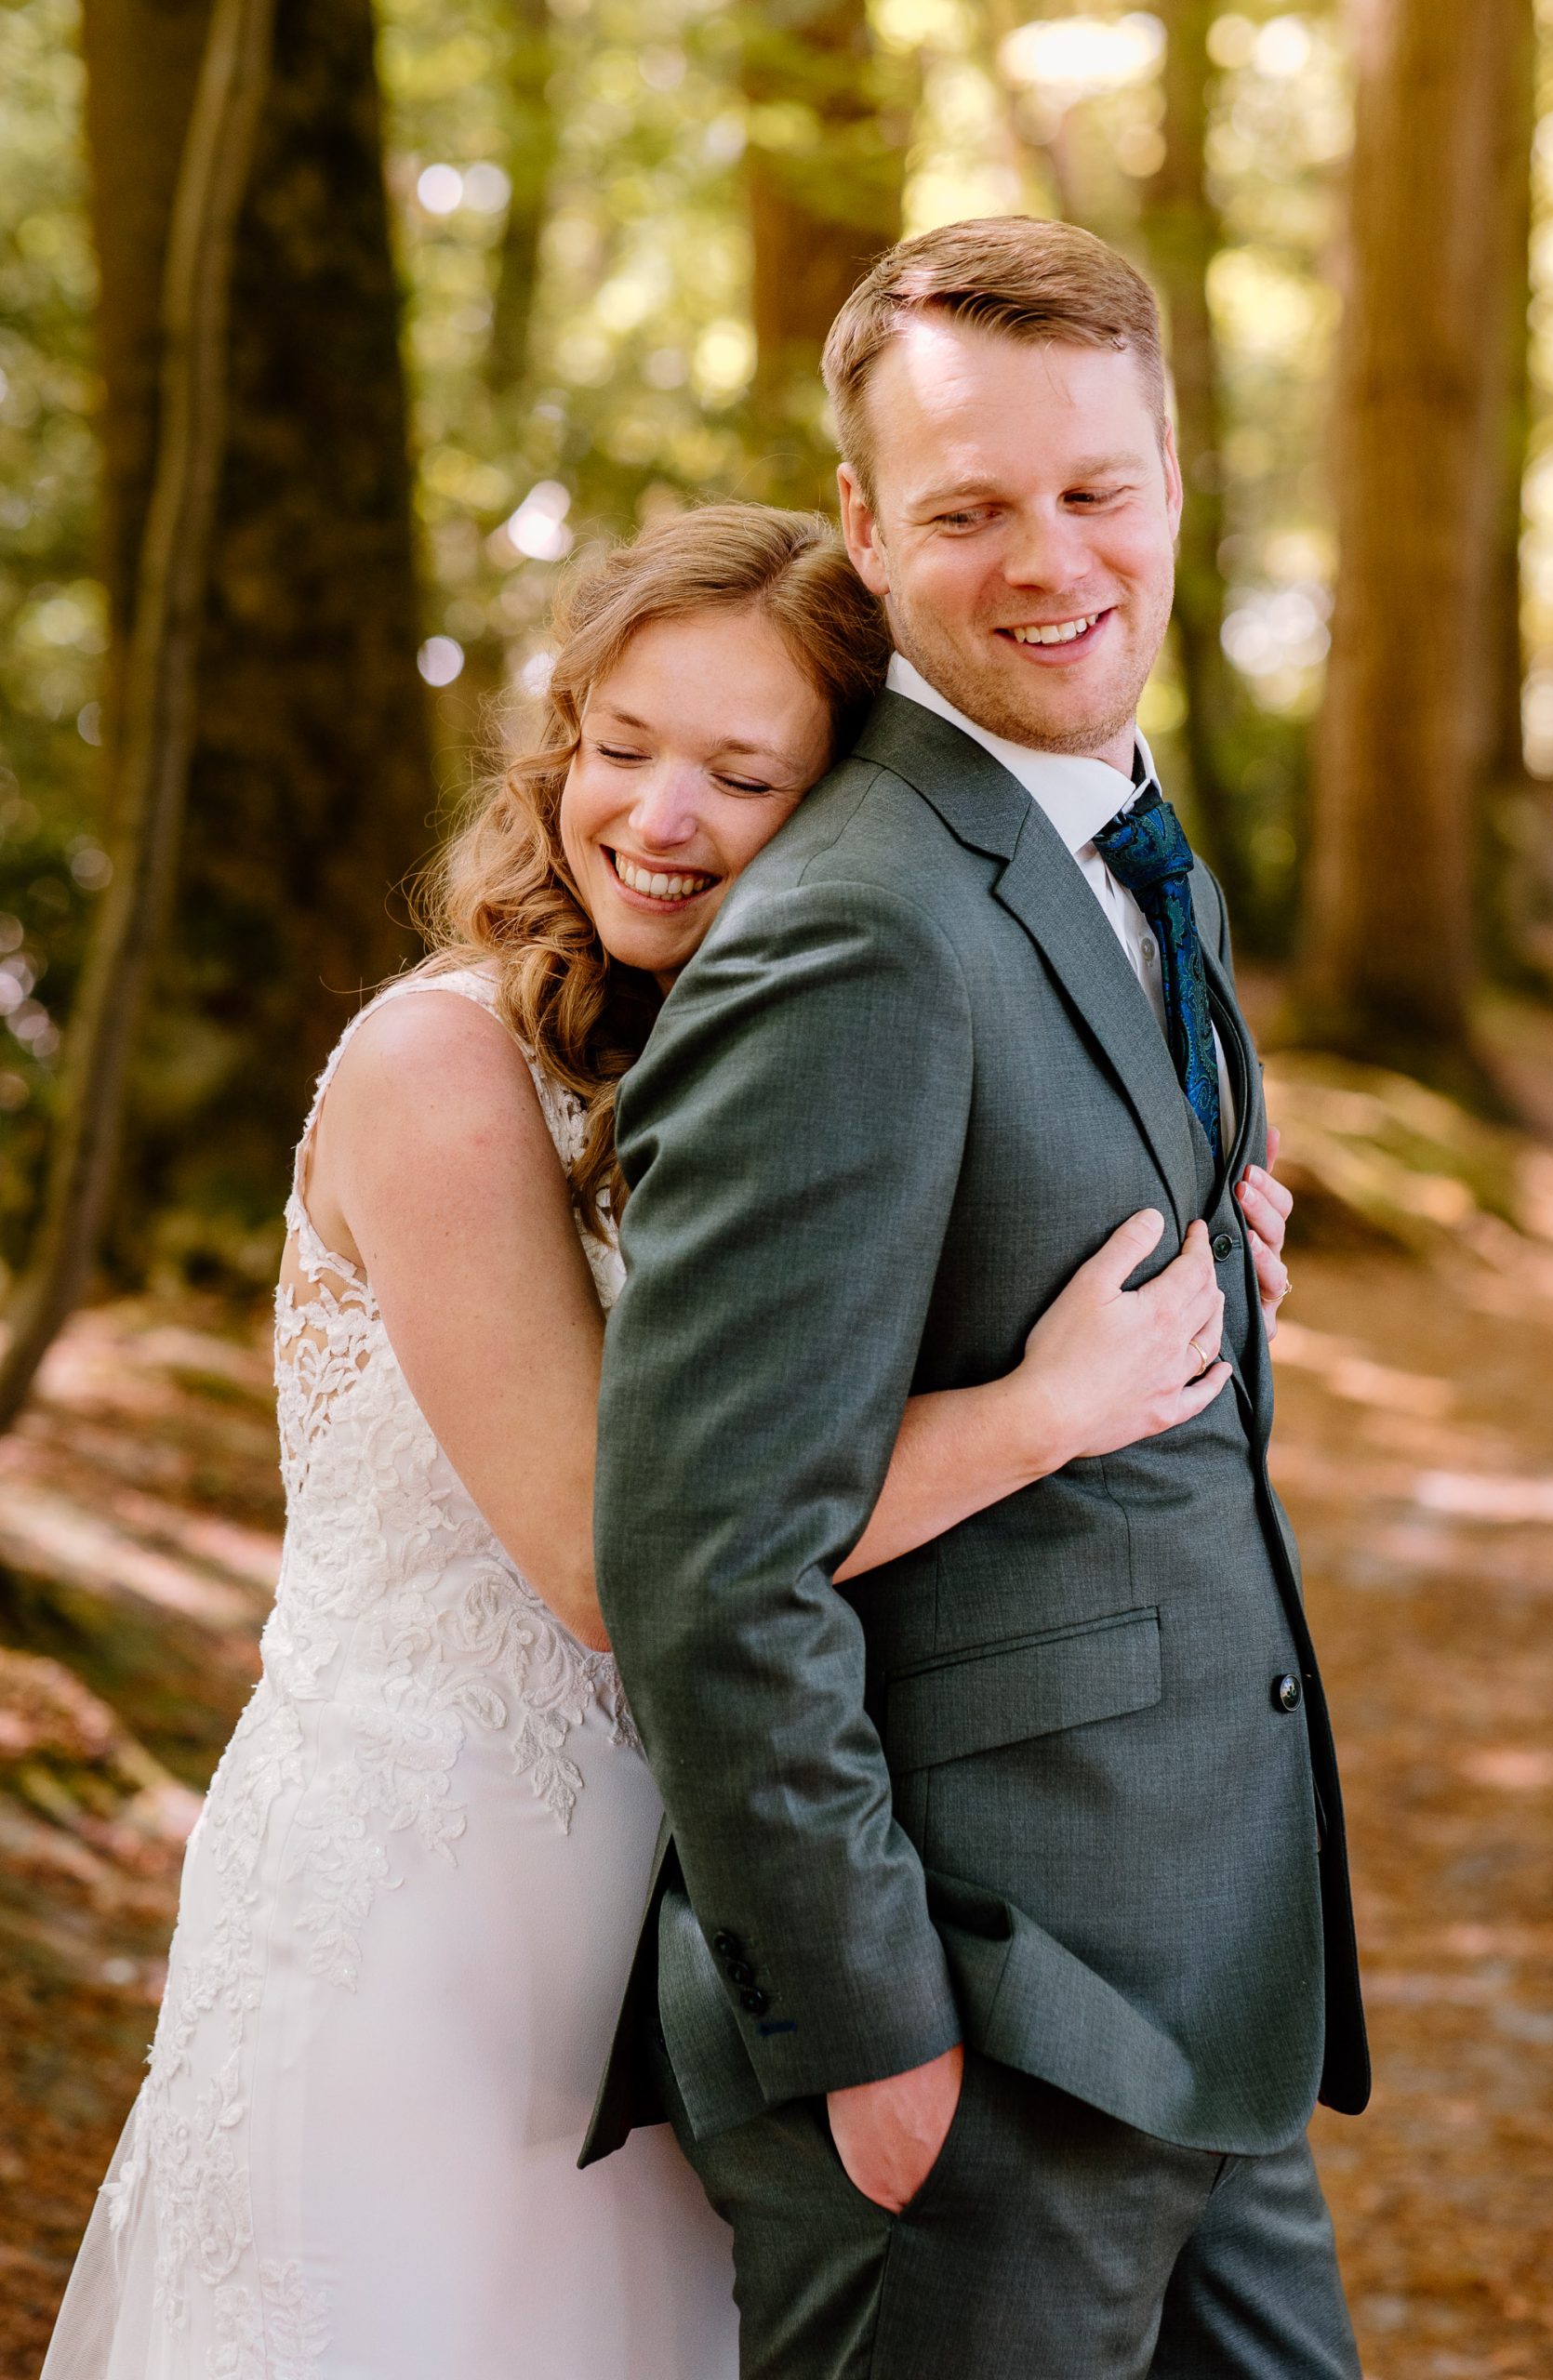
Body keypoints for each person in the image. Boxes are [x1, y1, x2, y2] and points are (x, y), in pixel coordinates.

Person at [39, 502, 1285, 2380]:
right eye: (617, 749)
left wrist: (1204, 1275)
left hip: (696, 1892)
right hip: (431, 1911)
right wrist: (1043, 1411)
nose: (657, 817)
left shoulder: (760, 1048)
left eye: (740, 772)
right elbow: (613, 1556)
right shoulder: (440, 1074)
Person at [585, 221, 1369, 2379]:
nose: (1050, 561)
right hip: (969, 2026)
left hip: (1189, 1990)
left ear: (1176, 476)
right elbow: (702, 1551)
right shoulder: (860, 923)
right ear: (861, 525)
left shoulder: (1116, 836)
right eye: (964, 509)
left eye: (1094, 489)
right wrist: (867, 2024)